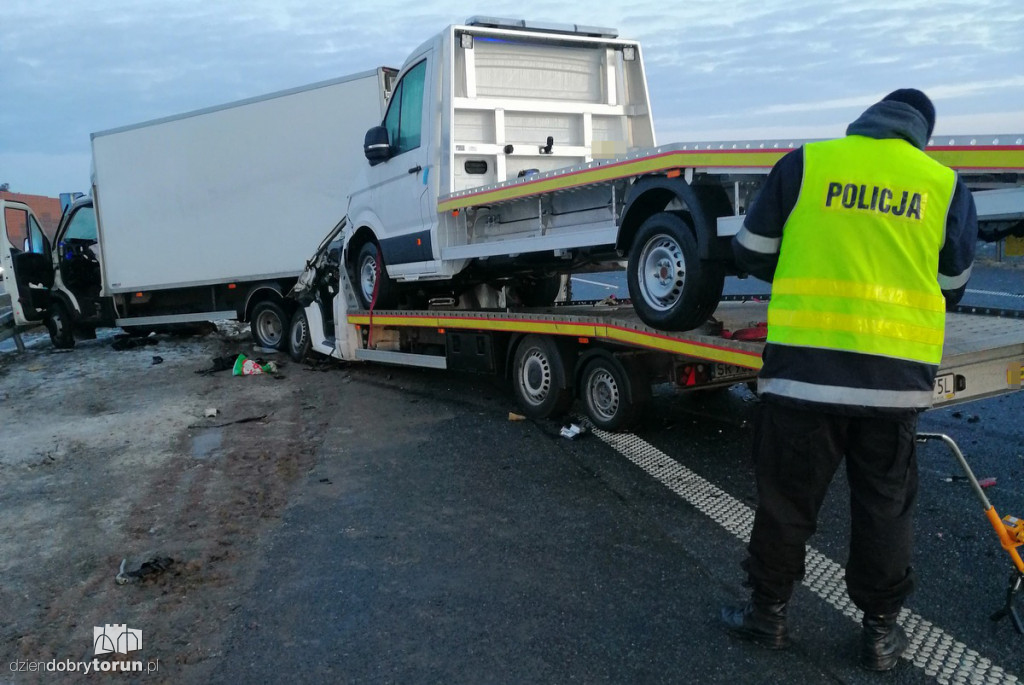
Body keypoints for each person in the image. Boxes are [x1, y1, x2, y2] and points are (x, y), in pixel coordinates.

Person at [720, 89, 978, 671]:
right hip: (893, 385)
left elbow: (753, 251)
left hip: (805, 378)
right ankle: (881, 637)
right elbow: (954, 282)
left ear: (866, 120)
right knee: (885, 510)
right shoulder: (943, 186)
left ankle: (768, 616)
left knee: (786, 503)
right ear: (921, 133)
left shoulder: (809, 163)